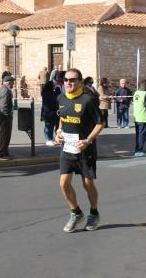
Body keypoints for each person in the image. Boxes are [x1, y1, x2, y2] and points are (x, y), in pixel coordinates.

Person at [54, 68, 103, 232]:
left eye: (73, 80)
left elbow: (100, 123)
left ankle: (94, 213)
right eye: (66, 80)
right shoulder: (61, 97)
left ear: (80, 82)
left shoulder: (88, 100)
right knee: (63, 184)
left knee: (87, 183)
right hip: (67, 148)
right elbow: (62, 117)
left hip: (85, 149)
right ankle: (75, 212)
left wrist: (88, 140)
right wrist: (58, 132)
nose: (69, 83)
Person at [0, 75, 15, 160]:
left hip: (6, 117)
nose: (13, 84)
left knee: (6, 136)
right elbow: (3, 106)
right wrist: (7, 116)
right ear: (9, 83)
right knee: (4, 136)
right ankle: (0, 154)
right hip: (5, 117)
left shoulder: (5, 89)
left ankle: (4, 152)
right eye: (12, 83)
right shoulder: (4, 91)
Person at [133, 80, 146, 156]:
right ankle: (139, 150)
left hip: (137, 117)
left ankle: (138, 148)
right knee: (142, 135)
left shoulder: (136, 93)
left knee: (138, 134)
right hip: (143, 117)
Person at [41, 81, 59, 146]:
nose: (54, 86)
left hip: (52, 112)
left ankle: (50, 139)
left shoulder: (51, 92)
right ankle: (48, 140)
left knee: (51, 126)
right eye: (53, 85)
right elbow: (51, 102)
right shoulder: (46, 93)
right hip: (48, 112)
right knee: (48, 127)